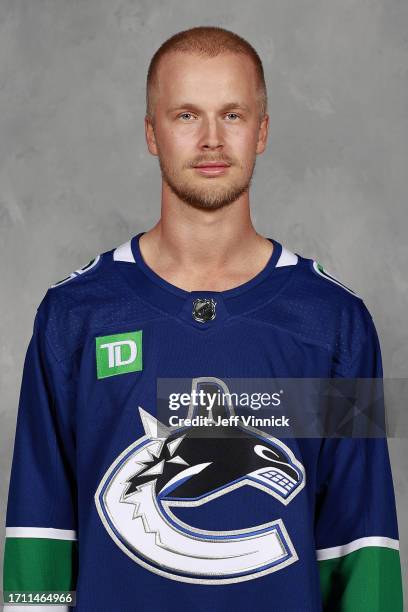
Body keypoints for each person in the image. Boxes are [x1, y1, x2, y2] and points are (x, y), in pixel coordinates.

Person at [3, 26, 403, 611]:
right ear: (151, 133)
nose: (212, 139)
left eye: (233, 115)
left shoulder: (337, 324)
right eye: (187, 115)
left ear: (261, 130)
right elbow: (40, 536)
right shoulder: (73, 317)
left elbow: (363, 544)